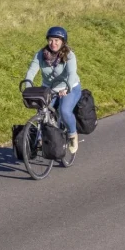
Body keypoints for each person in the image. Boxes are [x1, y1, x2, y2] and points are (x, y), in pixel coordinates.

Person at [23, 26, 82, 154]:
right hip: (49, 88)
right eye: (50, 40)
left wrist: (67, 88)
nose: (53, 43)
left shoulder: (69, 55)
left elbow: (72, 74)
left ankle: (72, 136)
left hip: (70, 87)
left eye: (56, 40)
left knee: (64, 110)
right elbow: (31, 71)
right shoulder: (41, 54)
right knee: (42, 112)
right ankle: (41, 139)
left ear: (62, 42)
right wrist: (28, 87)